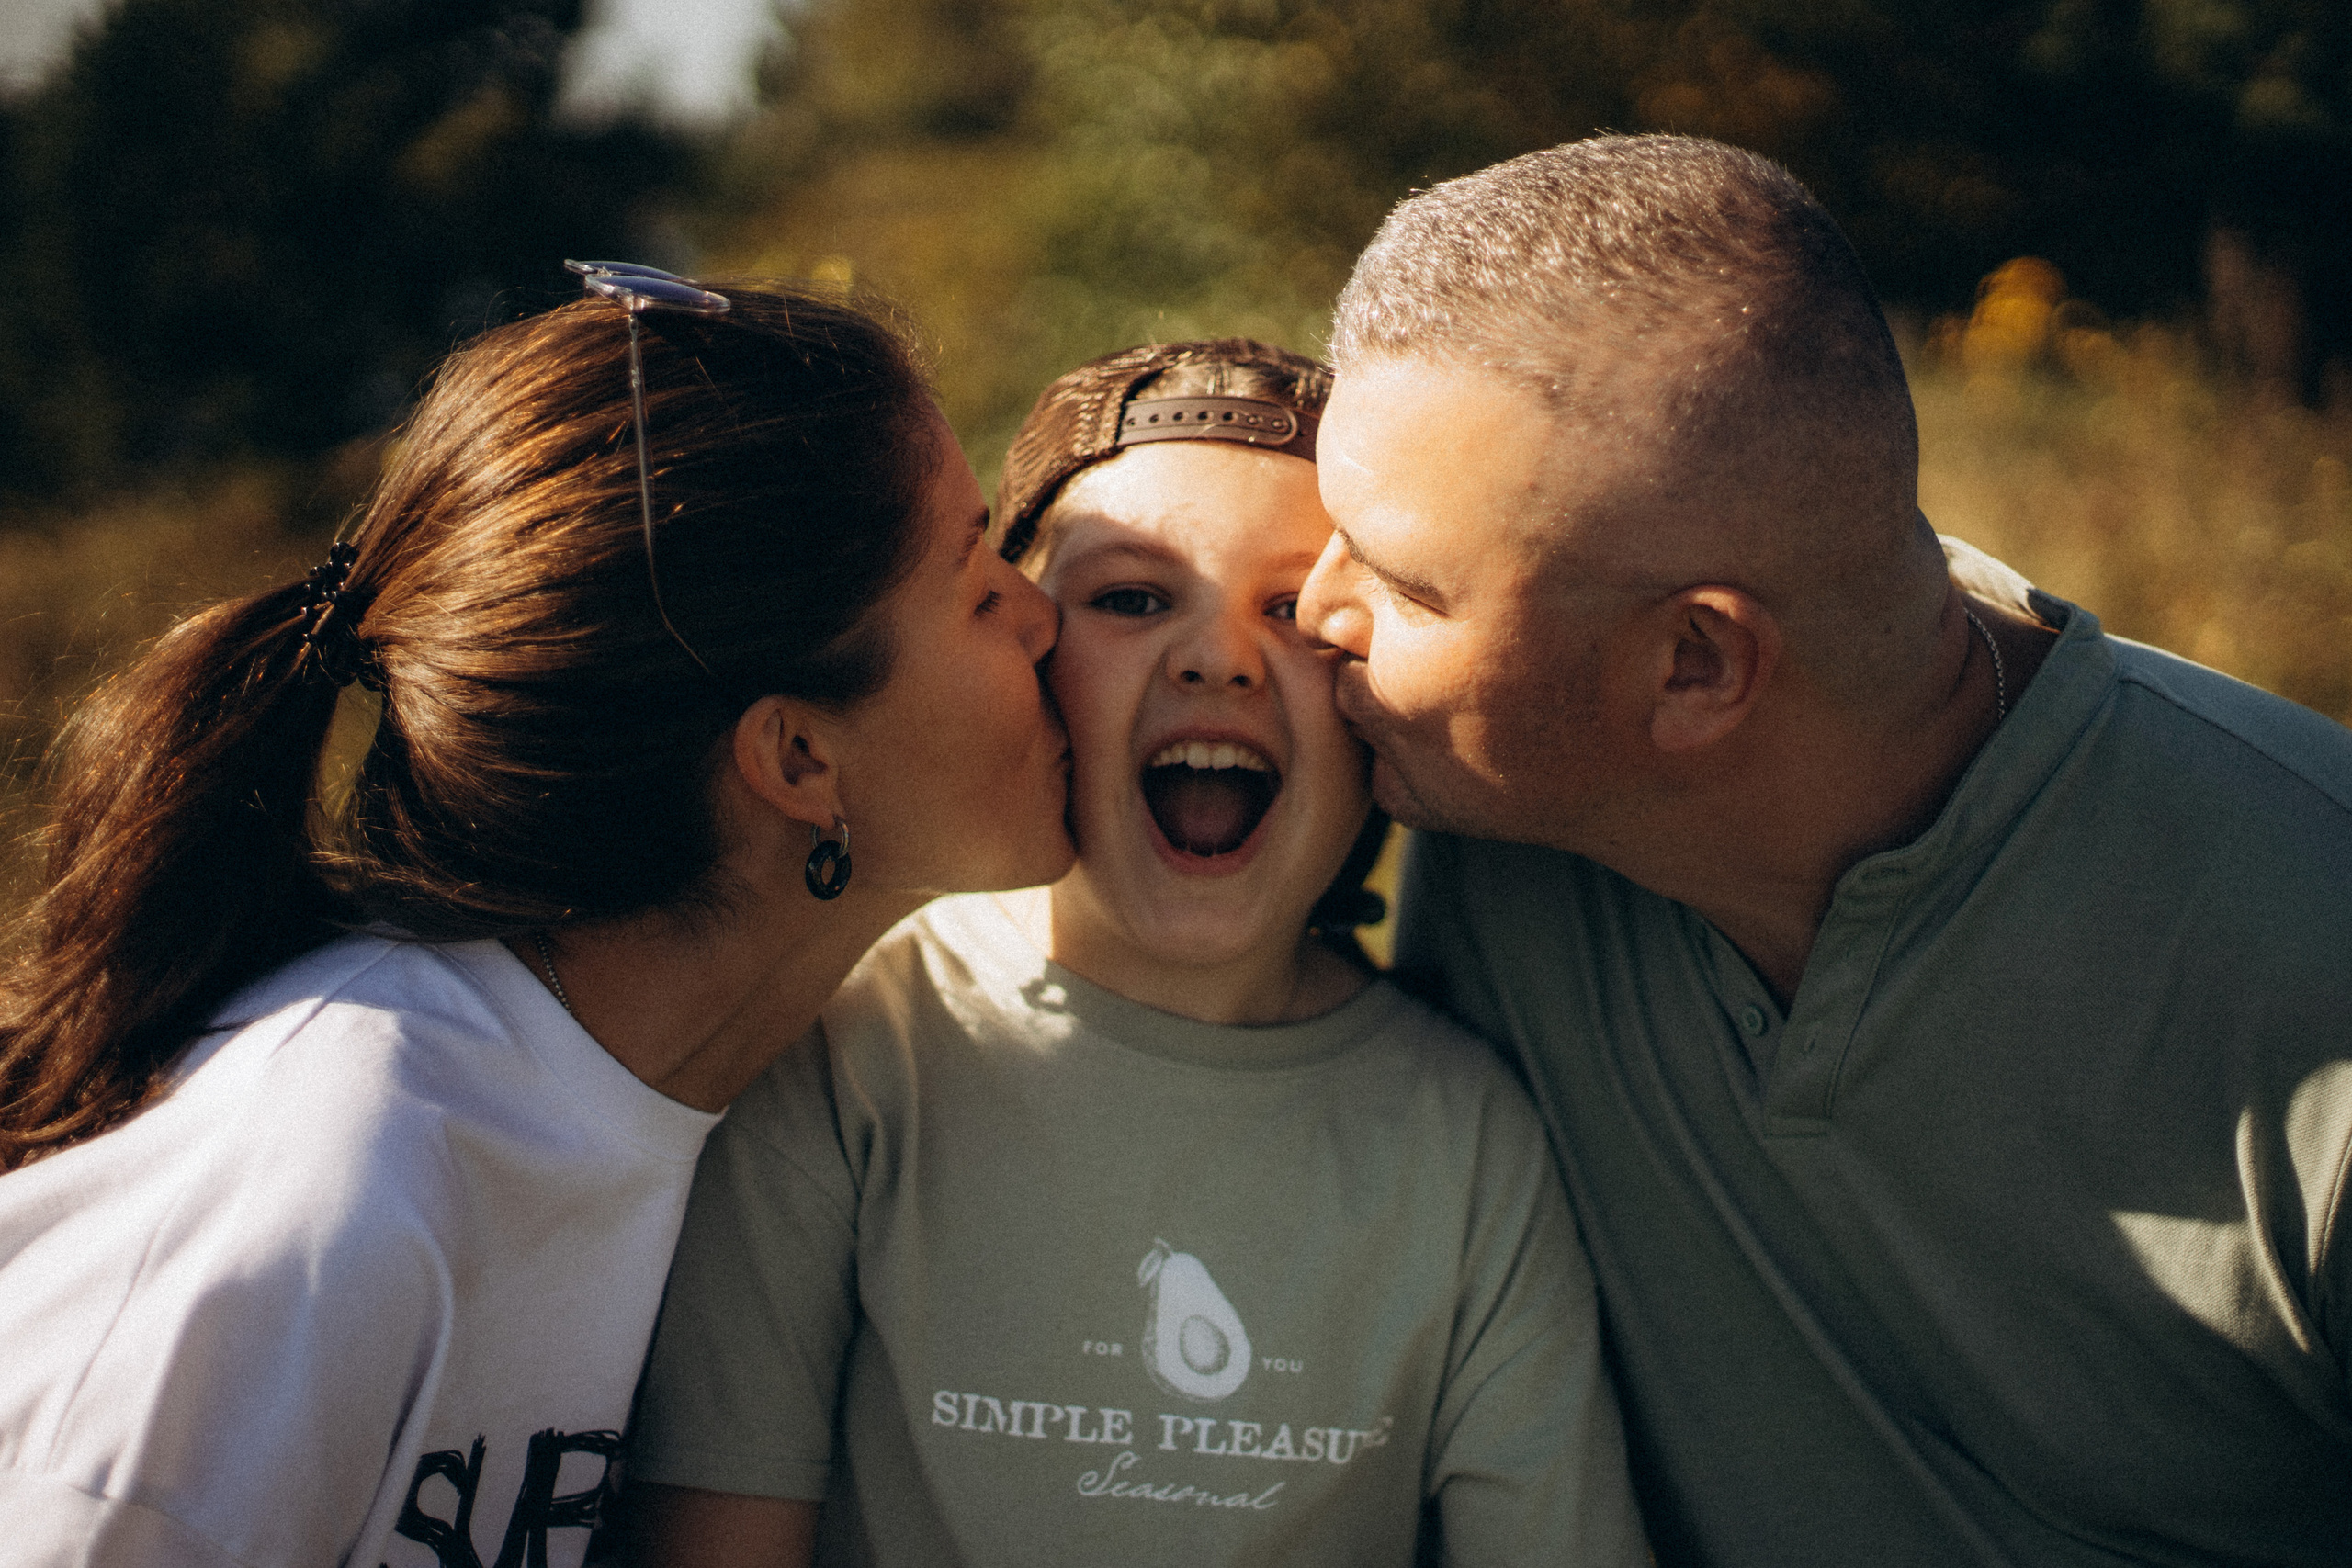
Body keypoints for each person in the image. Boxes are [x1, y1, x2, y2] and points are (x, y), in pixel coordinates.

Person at [1294, 133, 2352, 1565]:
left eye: (1403, 583)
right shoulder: (1487, 799)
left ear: (1692, 667)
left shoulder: (2310, 969)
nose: (1311, 612)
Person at [0, 266, 1074, 1568]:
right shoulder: (328, 1189)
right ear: (798, 763)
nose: (1043, 612)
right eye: (976, 586)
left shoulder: (769, 1102)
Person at [620, 339, 1648, 1568]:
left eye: (1292, 608)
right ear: (1024, 654)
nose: (1218, 657)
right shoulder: (856, 1042)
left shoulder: (1467, 1139)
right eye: (1132, 599)